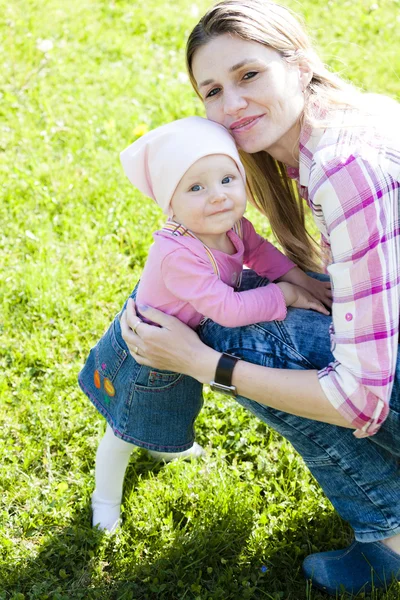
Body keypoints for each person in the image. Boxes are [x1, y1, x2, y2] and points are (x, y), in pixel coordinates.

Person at [119, 0, 400, 595]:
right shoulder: (347, 116)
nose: (231, 106)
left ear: (297, 65)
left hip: (371, 385)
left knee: (227, 329)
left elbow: (359, 398)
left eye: (249, 75)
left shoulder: (342, 169)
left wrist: (205, 365)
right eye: (213, 91)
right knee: (265, 307)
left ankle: (392, 536)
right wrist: (300, 289)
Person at [78, 115, 330, 533]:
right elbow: (228, 310)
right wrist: (284, 296)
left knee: (173, 408)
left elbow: (261, 253)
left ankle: (162, 446)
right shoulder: (177, 253)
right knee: (123, 428)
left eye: (228, 179)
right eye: (196, 187)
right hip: (146, 353)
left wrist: (301, 280)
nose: (217, 196)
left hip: (180, 346)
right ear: (170, 204)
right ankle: (105, 499)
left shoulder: (231, 226)